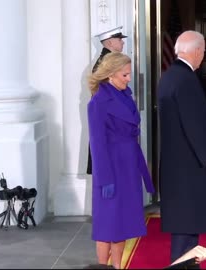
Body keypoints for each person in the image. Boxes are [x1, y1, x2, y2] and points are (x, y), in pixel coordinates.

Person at [157, 30, 206, 264]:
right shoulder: (186, 79)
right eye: (204, 51)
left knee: (185, 224)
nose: (203, 55)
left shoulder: (169, 76)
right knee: (187, 227)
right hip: (189, 167)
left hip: (176, 165)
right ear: (196, 51)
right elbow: (194, 124)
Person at [87, 52, 155, 269]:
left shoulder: (125, 95)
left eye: (129, 74)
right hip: (110, 168)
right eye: (125, 74)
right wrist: (105, 179)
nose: (128, 79)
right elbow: (97, 145)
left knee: (123, 223)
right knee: (107, 224)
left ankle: (118, 266)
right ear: (110, 75)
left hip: (128, 166)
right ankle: (102, 266)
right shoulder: (97, 102)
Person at [87, 26, 128, 175]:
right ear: (110, 43)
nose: (122, 43)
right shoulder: (107, 63)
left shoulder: (108, 61)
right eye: (119, 39)